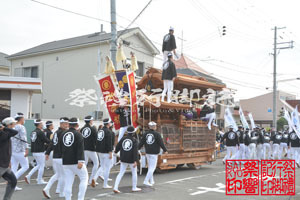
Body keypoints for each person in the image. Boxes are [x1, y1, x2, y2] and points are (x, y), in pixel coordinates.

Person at [60, 118, 88, 200]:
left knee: (68, 182)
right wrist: (80, 160)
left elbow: (60, 147)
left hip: (65, 161)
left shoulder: (63, 134)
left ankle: (68, 198)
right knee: (84, 178)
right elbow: (80, 148)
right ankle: (80, 198)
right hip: (76, 161)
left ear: (69, 124)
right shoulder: (78, 134)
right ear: (77, 125)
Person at [43, 117, 69, 199]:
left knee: (58, 174)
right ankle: (61, 192)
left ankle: (48, 188)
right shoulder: (65, 133)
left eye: (67, 123)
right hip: (62, 157)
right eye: (65, 123)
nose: (67, 125)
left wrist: (47, 153)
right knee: (64, 175)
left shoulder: (56, 132)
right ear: (61, 124)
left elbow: (51, 144)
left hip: (55, 156)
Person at [138, 121, 168, 186]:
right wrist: (165, 150)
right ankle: (146, 181)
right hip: (154, 153)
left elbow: (141, 142)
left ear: (149, 127)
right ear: (154, 127)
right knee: (152, 168)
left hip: (148, 152)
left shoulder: (145, 134)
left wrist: (137, 148)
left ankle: (151, 180)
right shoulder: (157, 134)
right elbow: (161, 143)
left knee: (150, 167)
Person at [113, 126, 142, 193]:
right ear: (133, 132)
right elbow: (135, 151)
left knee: (121, 173)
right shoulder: (134, 140)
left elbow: (118, 146)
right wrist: (136, 160)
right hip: (131, 159)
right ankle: (134, 187)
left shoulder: (123, 138)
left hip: (123, 158)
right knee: (134, 173)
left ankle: (115, 187)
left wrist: (115, 152)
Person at [25, 119, 50, 185]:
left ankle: (28, 175)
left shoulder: (33, 132)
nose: (42, 124)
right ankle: (39, 180)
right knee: (42, 165)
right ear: (39, 124)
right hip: (40, 151)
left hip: (34, 151)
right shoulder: (40, 132)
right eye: (41, 123)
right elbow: (46, 140)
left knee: (39, 165)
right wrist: (52, 142)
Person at [0, 118, 18, 200]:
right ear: (9, 125)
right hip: (1, 164)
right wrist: (4, 128)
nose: (14, 126)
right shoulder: (3, 133)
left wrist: (9, 161)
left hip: (5, 164)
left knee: (13, 181)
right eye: (13, 124)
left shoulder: (5, 133)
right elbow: (15, 132)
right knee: (12, 181)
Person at [10, 113, 29, 191]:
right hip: (20, 150)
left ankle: (13, 186)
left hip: (12, 150)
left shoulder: (13, 127)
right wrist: (27, 148)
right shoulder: (21, 127)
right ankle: (12, 181)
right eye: (23, 119)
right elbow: (23, 138)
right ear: (21, 119)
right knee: (25, 166)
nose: (24, 120)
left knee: (14, 166)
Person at [80, 116, 98, 187]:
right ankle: (91, 179)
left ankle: (84, 180)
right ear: (90, 121)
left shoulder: (82, 129)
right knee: (96, 163)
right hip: (91, 148)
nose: (92, 121)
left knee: (84, 164)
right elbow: (96, 139)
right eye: (92, 120)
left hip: (84, 148)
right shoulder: (93, 129)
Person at [96, 118, 113, 189]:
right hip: (106, 152)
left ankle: (94, 178)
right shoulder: (108, 132)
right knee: (107, 168)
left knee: (102, 166)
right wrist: (110, 152)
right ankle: (105, 184)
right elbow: (109, 143)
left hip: (100, 151)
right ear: (108, 124)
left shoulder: (100, 131)